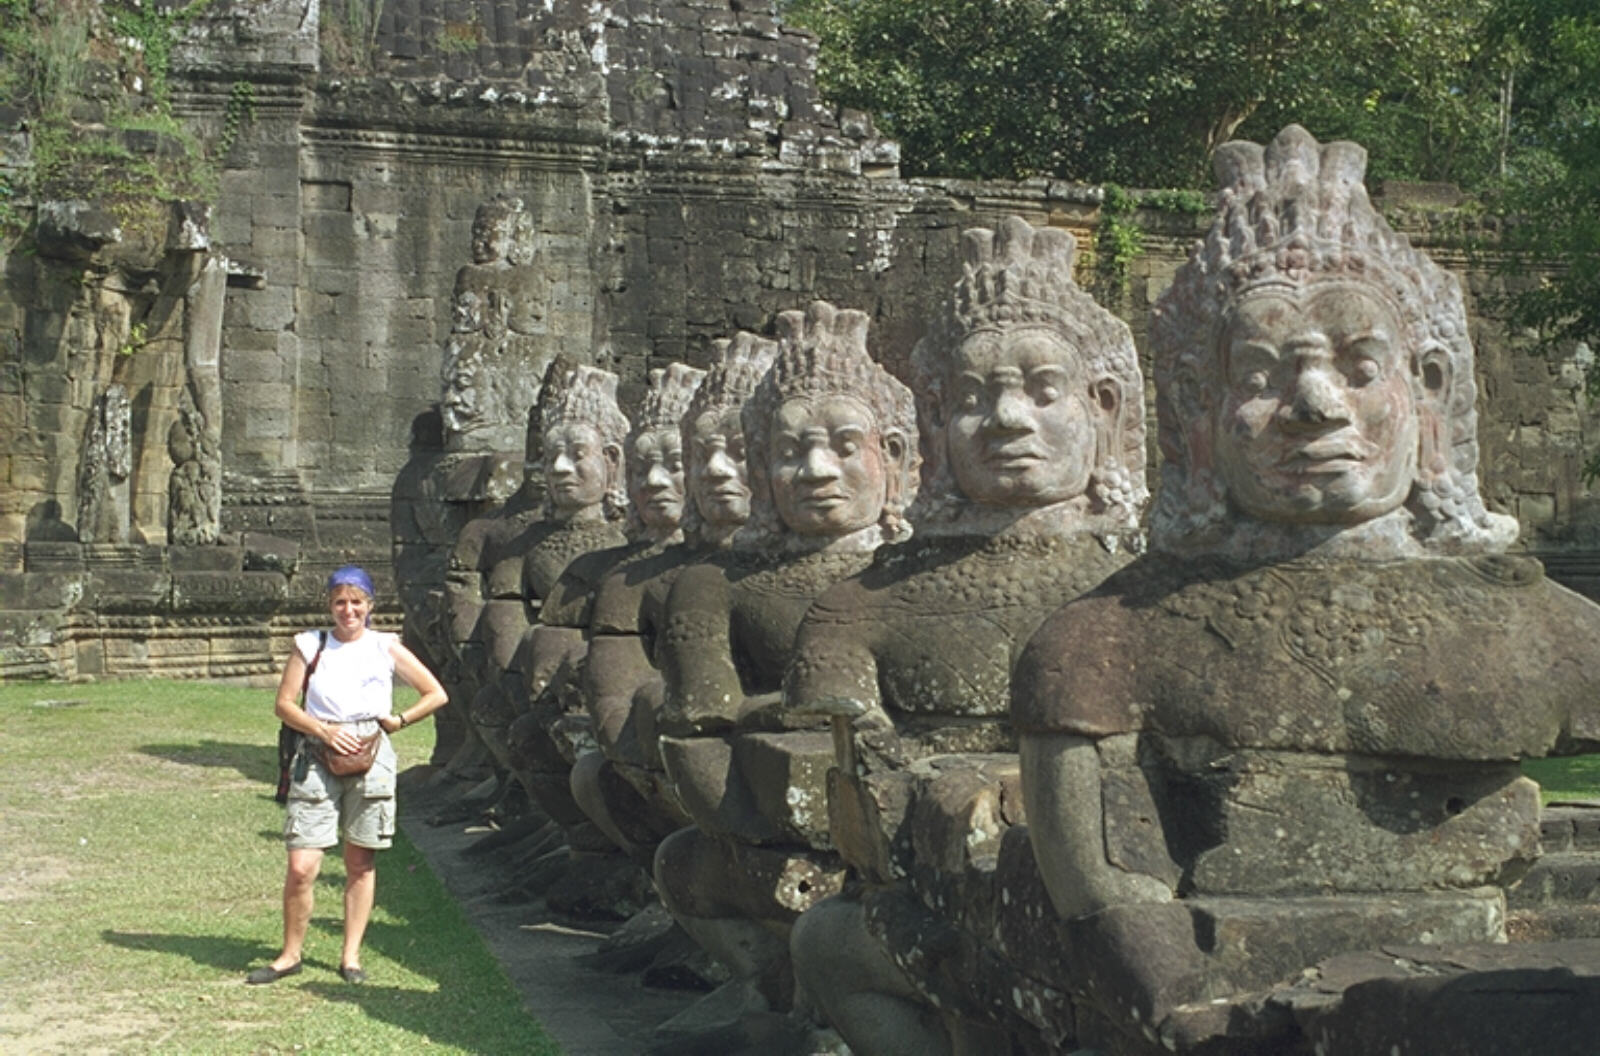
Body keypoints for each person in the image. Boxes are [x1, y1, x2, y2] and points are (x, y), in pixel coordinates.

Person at [246, 565, 448, 985]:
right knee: (302, 863)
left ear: (370, 606)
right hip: (319, 752)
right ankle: (290, 954)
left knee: (360, 861)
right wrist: (324, 731)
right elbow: (285, 704)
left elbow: (436, 693)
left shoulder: (384, 646)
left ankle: (350, 956)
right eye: (340, 601)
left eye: (357, 602)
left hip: (371, 751)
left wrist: (398, 720)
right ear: (329, 605)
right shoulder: (310, 644)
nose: (348, 610)